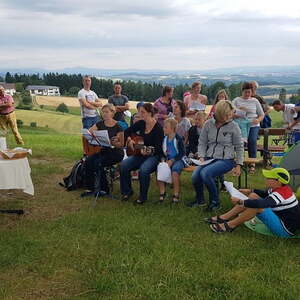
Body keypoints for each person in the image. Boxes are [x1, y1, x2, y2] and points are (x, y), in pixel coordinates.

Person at [207, 168, 300, 237]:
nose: (266, 179)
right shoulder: (280, 188)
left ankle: (230, 225)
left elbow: (262, 204)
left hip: (285, 230)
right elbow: (264, 194)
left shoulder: (281, 193)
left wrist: (240, 201)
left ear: (278, 181)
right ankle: (224, 217)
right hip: (281, 219)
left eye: (269, 177)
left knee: (258, 206)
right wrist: (250, 191)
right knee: (253, 196)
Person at [190, 100, 243, 210]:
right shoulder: (208, 124)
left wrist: (239, 165)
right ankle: (200, 201)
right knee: (195, 176)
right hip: (209, 158)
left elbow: (239, 147)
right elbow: (202, 142)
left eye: (230, 114)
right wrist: (201, 156)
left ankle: (215, 202)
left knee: (206, 173)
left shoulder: (234, 126)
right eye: (227, 114)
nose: (230, 116)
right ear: (220, 114)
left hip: (226, 160)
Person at [120, 103, 164, 204]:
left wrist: (148, 150)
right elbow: (127, 131)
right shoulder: (141, 123)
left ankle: (142, 197)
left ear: (149, 113)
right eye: (140, 112)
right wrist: (130, 140)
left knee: (143, 170)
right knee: (124, 165)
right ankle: (127, 192)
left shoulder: (158, 129)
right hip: (140, 153)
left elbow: (159, 149)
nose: (140, 114)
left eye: (142, 112)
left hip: (154, 155)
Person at [81, 104, 124, 197]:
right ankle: (90, 188)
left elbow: (121, 144)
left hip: (116, 152)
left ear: (112, 113)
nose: (104, 114)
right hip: (104, 151)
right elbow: (89, 132)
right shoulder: (99, 124)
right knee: (88, 161)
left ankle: (104, 189)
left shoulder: (118, 126)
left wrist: (113, 143)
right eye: (103, 112)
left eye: (106, 112)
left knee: (99, 163)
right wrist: (91, 135)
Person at [233, 82, 264, 174]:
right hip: (240, 124)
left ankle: (252, 163)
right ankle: (239, 162)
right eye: (245, 92)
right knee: (240, 142)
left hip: (253, 125)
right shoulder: (236, 100)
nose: (247, 94)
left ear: (252, 92)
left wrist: (258, 120)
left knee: (252, 141)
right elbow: (229, 112)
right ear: (242, 91)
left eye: (249, 92)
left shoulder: (255, 101)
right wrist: (236, 115)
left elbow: (261, 114)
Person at [157, 118, 186, 203]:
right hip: (168, 160)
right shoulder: (164, 139)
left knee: (175, 172)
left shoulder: (178, 139)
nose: (163, 129)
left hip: (179, 160)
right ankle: (162, 192)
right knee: (160, 168)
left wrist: (173, 160)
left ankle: (176, 194)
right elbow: (162, 152)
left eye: (166, 127)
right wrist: (163, 159)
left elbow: (182, 153)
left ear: (172, 128)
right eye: (164, 127)